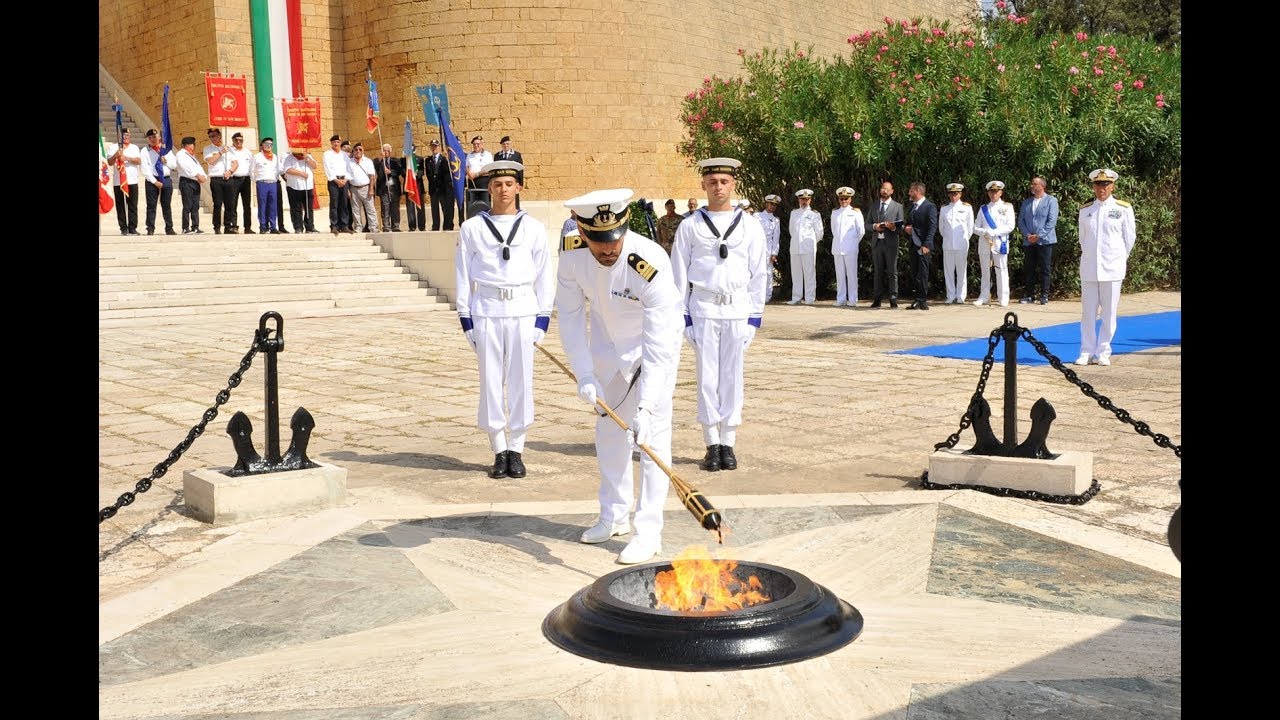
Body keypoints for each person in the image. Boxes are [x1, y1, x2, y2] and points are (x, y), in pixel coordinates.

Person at [557, 188, 683, 564]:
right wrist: (583, 373)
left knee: (652, 438)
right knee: (609, 432)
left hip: (651, 349)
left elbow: (659, 342)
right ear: (581, 229)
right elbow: (569, 314)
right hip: (607, 350)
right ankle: (613, 515)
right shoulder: (572, 254)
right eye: (598, 240)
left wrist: (647, 405)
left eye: (614, 238)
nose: (608, 249)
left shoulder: (649, 260)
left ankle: (649, 531)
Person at [454, 160, 553, 479]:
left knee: (522, 379)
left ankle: (518, 448)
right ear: (489, 188)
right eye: (497, 185)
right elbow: (462, 275)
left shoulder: (534, 228)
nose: (503, 190)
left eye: (509, 184)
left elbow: (544, 276)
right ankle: (499, 449)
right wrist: (465, 317)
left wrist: (543, 319)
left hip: (523, 309)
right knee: (491, 379)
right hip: (487, 309)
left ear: (519, 187)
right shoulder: (471, 228)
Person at [671, 157, 768, 472]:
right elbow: (678, 276)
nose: (718, 187)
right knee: (706, 377)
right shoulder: (690, 225)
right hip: (703, 308)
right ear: (703, 185)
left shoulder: (750, 225)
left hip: (737, 308)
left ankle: (729, 440)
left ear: (733, 184)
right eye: (712, 182)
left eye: (724, 181)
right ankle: (711, 442)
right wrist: (683, 317)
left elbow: (758, 274)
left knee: (732, 376)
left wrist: (754, 316)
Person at [1075, 168, 1136, 367]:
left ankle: (1103, 351)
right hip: (1090, 268)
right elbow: (1083, 240)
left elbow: (1129, 239)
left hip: (1112, 268)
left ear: (1112, 186)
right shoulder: (1085, 210)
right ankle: (1086, 351)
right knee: (1088, 313)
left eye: (1105, 184)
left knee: (1109, 313)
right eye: (1098, 184)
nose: (1102, 188)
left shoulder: (1123, 209)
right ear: (1093, 186)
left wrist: (1117, 259)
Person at [1017, 176, 1059, 305]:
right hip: (1029, 241)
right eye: (1032, 184)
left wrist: (1039, 235)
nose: (1032, 186)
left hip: (1045, 241)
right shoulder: (1026, 202)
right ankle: (1030, 295)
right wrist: (1027, 235)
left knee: (1045, 268)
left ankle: (1044, 295)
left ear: (1042, 186)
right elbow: (1021, 220)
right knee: (1030, 268)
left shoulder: (1051, 201)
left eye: (1034, 184)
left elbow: (1051, 221)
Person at [973, 180, 1015, 307]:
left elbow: (1010, 226)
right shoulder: (983, 209)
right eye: (991, 192)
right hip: (985, 242)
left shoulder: (1007, 207)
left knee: (1001, 270)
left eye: (996, 191)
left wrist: (995, 232)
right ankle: (984, 296)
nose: (993, 194)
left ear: (1001, 192)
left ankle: (1003, 297)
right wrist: (985, 232)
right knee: (985, 271)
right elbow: (975, 227)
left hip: (999, 243)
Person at [865, 181, 905, 308]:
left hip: (891, 243)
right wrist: (874, 226)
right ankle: (877, 299)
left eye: (887, 189)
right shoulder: (875, 205)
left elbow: (901, 227)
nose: (885, 191)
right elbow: (867, 224)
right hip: (877, 243)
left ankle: (893, 299)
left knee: (892, 271)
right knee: (878, 272)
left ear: (892, 191)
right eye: (883, 188)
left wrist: (893, 228)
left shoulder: (898, 206)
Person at [903, 182, 938, 310]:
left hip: (923, 245)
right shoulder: (912, 207)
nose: (909, 193)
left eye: (911, 191)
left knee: (923, 273)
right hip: (913, 244)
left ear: (918, 191)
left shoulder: (930, 207)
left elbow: (932, 227)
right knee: (915, 273)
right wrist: (906, 228)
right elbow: (910, 223)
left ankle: (922, 300)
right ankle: (918, 298)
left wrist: (927, 244)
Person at [939, 182, 975, 304]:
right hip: (948, 244)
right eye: (951, 194)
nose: (954, 196)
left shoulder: (967, 208)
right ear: (949, 194)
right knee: (948, 271)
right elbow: (941, 228)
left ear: (960, 194)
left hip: (962, 244)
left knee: (961, 271)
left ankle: (961, 296)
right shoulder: (944, 209)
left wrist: (964, 239)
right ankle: (950, 295)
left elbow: (970, 227)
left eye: (956, 193)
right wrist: (949, 239)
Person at [830, 187, 865, 307]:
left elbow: (861, 231)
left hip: (850, 248)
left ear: (850, 199)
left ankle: (853, 299)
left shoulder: (856, 212)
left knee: (851, 275)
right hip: (838, 248)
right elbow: (833, 230)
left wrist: (853, 242)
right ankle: (841, 299)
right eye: (841, 199)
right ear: (839, 199)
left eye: (846, 198)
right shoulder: (835, 212)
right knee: (839, 275)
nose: (843, 201)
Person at [786, 188, 822, 305]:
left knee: (809, 273)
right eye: (802, 199)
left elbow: (819, 233)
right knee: (796, 273)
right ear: (798, 200)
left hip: (808, 248)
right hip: (795, 247)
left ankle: (810, 298)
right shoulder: (794, 213)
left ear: (810, 200)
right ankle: (796, 297)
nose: (804, 201)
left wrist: (811, 243)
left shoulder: (814, 214)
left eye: (806, 199)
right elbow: (792, 230)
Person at [139, 128, 177, 236]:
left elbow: (174, 165)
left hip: (166, 178)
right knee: (151, 205)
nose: (152, 139)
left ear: (159, 137)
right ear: (147, 139)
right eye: (149, 138)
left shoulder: (166, 149)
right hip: (152, 180)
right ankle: (150, 228)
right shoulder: (145, 151)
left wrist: (166, 160)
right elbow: (145, 168)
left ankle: (169, 228)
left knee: (166, 205)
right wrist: (155, 181)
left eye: (154, 137)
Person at [107, 128, 142, 235]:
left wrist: (125, 157)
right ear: (119, 137)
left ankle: (132, 228)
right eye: (124, 135)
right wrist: (116, 155)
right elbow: (109, 162)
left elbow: (138, 161)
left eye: (128, 135)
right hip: (119, 181)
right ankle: (123, 228)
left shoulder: (134, 147)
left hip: (132, 180)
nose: (126, 137)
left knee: (132, 205)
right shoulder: (113, 147)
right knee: (120, 206)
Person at [203, 128, 236, 235]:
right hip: (216, 179)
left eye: (214, 135)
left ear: (219, 136)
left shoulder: (228, 149)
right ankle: (217, 226)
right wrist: (220, 152)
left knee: (229, 204)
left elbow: (235, 163)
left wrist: (230, 171)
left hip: (228, 178)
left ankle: (228, 226)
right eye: (210, 136)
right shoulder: (208, 149)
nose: (212, 138)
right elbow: (211, 161)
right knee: (217, 203)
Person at [174, 136, 208, 234]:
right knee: (187, 205)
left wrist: (203, 176)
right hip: (187, 181)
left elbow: (199, 167)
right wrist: (197, 175)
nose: (194, 146)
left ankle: (195, 226)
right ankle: (185, 227)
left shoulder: (192, 156)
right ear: (187, 145)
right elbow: (186, 167)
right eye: (193, 144)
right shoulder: (181, 154)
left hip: (195, 182)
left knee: (195, 205)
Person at [282, 149, 319, 234]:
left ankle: (310, 227)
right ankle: (298, 227)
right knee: (296, 208)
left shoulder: (307, 156)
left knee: (308, 208)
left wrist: (308, 159)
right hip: (294, 186)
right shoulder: (289, 158)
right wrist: (301, 173)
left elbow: (315, 166)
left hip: (307, 186)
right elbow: (287, 169)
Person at [251, 138, 284, 234]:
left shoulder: (275, 157)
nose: (268, 146)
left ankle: (273, 226)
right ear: (262, 145)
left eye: (270, 144)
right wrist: (256, 181)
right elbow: (252, 170)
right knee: (262, 205)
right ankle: (262, 226)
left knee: (273, 206)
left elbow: (279, 169)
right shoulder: (257, 156)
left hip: (273, 182)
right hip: (262, 182)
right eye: (266, 144)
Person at [323, 134, 353, 234]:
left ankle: (344, 225)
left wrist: (345, 180)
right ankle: (334, 226)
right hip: (333, 182)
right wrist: (336, 180)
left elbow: (348, 169)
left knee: (344, 204)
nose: (336, 144)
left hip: (344, 181)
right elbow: (328, 169)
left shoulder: (344, 155)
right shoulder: (327, 154)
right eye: (334, 142)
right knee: (334, 204)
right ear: (331, 143)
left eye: (338, 142)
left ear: (340, 143)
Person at [226, 132, 255, 234]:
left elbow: (252, 166)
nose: (239, 142)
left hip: (246, 179)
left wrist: (252, 177)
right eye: (236, 140)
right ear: (232, 140)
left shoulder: (247, 151)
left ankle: (247, 227)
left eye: (241, 140)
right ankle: (233, 225)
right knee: (233, 204)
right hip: (234, 179)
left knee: (247, 205)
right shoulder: (229, 151)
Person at [424, 139, 456, 231]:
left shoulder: (444, 159)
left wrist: (447, 159)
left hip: (442, 188)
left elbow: (446, 173)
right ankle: (435, 226)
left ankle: (447, 225)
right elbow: (429, 174)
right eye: (432, 146)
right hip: (433, 188)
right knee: (434, 209)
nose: (434, 148)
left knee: (445, 208)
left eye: (436, 146)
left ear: (438, 147)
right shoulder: (428, 160)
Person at [347, 142, 378, 233]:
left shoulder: (368, 161)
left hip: (366, 187)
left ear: (363, 151)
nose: (358, 151)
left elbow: (372, 176)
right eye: (356, 149)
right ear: (353, 151)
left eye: (360, 149)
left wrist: (371, 189)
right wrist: (348, 190)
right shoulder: (349, 162)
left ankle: (373, 227)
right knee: (355, 210)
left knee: (370, 209)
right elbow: (347, 177)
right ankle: (358, 228)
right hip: (353, 188)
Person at [374, 143, 404, 232]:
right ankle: (386, 226)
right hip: (384, 189)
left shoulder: (395, 161)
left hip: (393, 188)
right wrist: (381, 158)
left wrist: (391, 172)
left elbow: (400, 170)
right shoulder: (378, 161)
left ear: (390, 152)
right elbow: (376, 168)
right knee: (385, 208)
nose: (385, 152)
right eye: (384, 150)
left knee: (395, 208)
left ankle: (396, 226)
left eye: (387, 150)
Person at [758, 194, 782, 301]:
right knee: (756, 272)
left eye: (775, 205)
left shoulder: (776, 220)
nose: (772, 207)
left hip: (768, 249)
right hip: (757, 248)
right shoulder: (756, 216)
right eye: (771, 204)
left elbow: (776, 237)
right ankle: (756, 295)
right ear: (766, 204)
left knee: (768, 273)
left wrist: (774, 253)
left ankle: (767, 296)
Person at [465, 135, 494, 209]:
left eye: (478, 144)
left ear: (482, 144)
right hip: (472, 182)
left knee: (484, 204)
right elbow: (467, 167)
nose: (476, 146)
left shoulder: (487, 155)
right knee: (472, 205)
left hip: (483, 182)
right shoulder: (469, 155)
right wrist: (468, 172)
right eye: (474, 144)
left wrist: (476, 174)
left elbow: (489, 170)